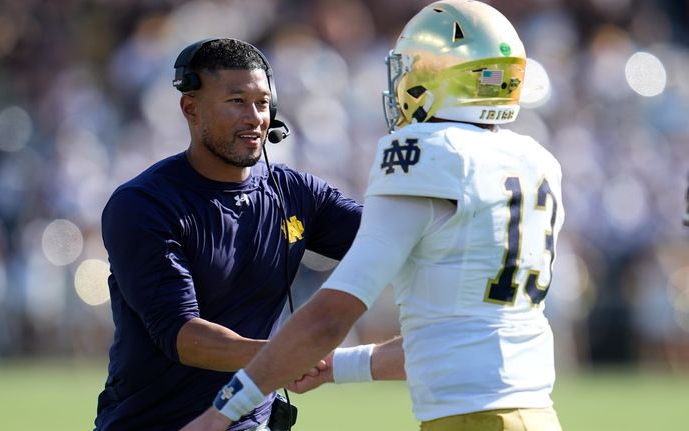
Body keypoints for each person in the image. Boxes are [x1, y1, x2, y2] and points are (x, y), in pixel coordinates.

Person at [181, 1, 565, 431]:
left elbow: (331, 314)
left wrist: (224, 411)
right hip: (534, 415)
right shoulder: (536, 161)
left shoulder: (428, 154)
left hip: (473, 420)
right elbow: (455, 336)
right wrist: (335, 368)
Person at [93, 38, 362, 431]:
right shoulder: (143, 204)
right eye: (237, 101)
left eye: (263, 103)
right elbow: (185, 336)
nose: (255, 117)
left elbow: (388, 240)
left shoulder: (296, 193)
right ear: (191, 108)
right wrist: (285, 355)